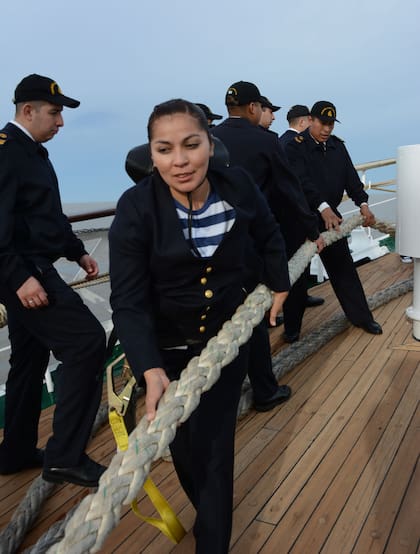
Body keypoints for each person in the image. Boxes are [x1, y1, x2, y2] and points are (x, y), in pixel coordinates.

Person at [109, 99, 290, 553]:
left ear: (210, 144)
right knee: (185, 449)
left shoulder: (239, 186)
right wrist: (149, 367)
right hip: (165, 350)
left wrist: (279, 284)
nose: (180, 160)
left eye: (191, 145)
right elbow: (128, 302)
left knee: (213, 450)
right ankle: (207, 512)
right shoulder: (134, 209)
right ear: (151, 155)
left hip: (226, 345)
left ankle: (213, 542)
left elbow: (269, 235)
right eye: (165, 149)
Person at [0, 74, 106, 487]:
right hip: (22, 272)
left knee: (29, 357)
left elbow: (43, 215)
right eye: (55, 112)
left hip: (31, 265)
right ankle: (65, 456)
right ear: (28, 110)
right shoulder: (8, 152)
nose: (60, 122)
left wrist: (76, 250)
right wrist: (20, 278)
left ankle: (16, 451)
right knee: (86, 343)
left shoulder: (32, 151)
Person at [211, 81, 324, 383]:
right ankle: (264, 388)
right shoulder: (266, 141)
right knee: (255, 311)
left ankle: (225, 381)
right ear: (252, 107)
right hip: (251, 243)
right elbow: (291, 190)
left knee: (224, 316)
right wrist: (313, 229)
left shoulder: (209, 138)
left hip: (212, 244)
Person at [285, 100, 383, 336]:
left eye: (331, 124)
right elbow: (301, 182)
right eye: (323, 123)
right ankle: (292, 330)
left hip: (331, 220)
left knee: (344, 270)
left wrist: (363, 204)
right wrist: (322, 207)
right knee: (297, 278)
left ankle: (362, 318)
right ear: (311, 120)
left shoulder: (338, 147)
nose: (327, 129)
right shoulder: (294, 147)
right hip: (301, 219)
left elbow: (351, 179)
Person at [278, 104, 325, 318]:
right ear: (304, 121)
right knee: (295, 262)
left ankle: (302, 296)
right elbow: (296, 184)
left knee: (301, 261)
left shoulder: (281, 141)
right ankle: (292, 312)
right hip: (294, 214)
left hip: (294, 213)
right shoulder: (292, 144)